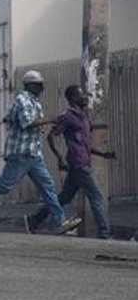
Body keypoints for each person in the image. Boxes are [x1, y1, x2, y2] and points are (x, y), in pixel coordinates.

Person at [0, 71, 81, 235]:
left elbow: (11, 118)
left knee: (48, 187)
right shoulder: (22, 100)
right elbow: (27, 122)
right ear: (30, 85)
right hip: (21, 153)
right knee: (4, 186)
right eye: (39, 84)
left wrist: (40, 124)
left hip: (33, 152)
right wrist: (50, 119)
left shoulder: (34, 102)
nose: (43, 87)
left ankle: (59, 221)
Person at [24, 85, 113, 238]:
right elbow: (51, 136)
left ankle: (34, 220)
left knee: (64, 197)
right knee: (96, 196)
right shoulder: (67, 117)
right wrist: (59, 158)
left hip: (80, 164)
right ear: (72, 98)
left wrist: (103, 154)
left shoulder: (83, 116)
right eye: (81, 95)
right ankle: (105, 233)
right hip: (79, 165)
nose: (85, 96)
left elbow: (85, 144)